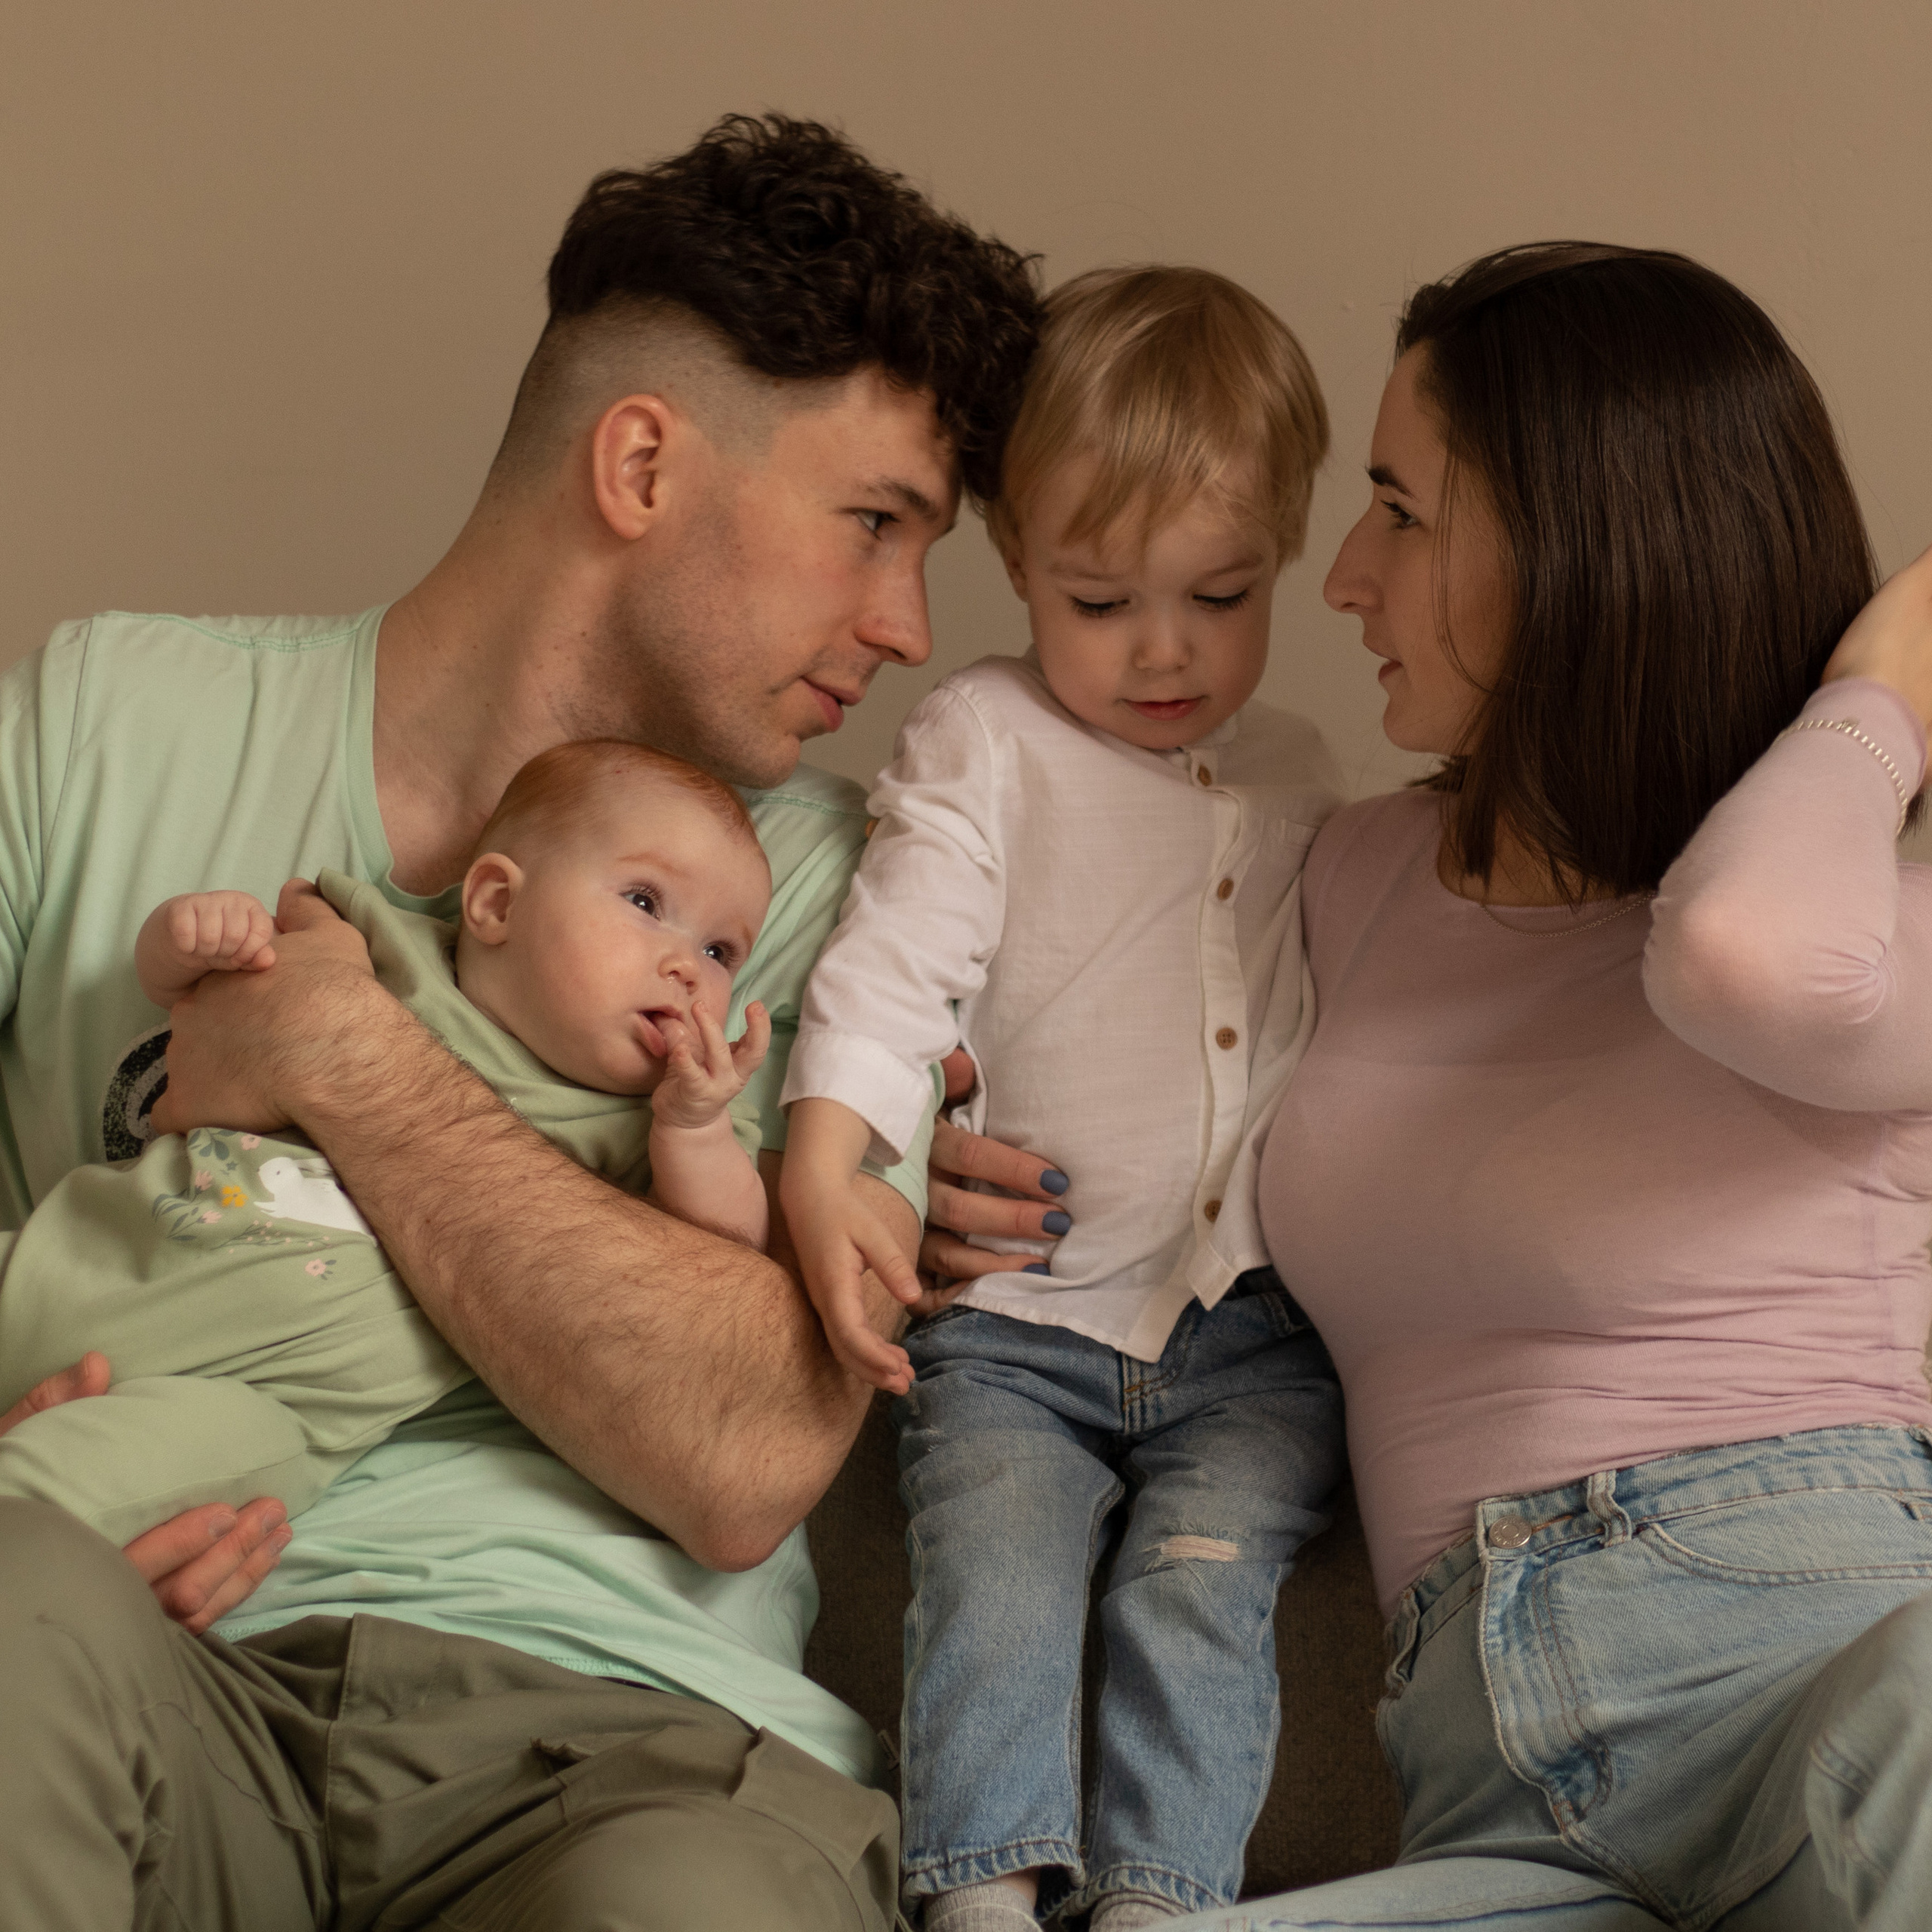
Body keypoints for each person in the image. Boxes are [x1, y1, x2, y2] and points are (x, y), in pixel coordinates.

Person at [0, 114, 1050, 1930]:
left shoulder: (825, 895)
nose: (904, 626)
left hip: (628, 1746)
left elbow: (735, 1451)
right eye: (872, 526)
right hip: (138, 1662)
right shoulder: (106, 723)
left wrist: (351, 1062)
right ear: (640, 463)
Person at [1166, 244, 1932, 1930]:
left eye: (1399, 508)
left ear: (1583, 546)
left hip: (1834, 1718)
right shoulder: (1342, 877)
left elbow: (1733, 952)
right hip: (1505, 1808)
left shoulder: (1877, 923)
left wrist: (1882, 689)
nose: (1341, 577)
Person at [780, 266, 1346, 1930]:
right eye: (1097, 602)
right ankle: (980, 1886)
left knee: (1204, 1586)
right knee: (996, 1573)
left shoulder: (1303, 770)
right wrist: (830, 1163)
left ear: (1286, 553)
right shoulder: (984, 738)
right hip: (1020, 1316)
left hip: (1247, 1323)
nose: (1162, 650)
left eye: (1221, 594)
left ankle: (1164, 1897)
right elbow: (891, 969)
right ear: (1014, 562)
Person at [0, 741, 774, 1545]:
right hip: (83, 1254)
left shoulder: (660, 1119)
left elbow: (726, 1254)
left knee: (39, 1516)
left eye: (722, 952)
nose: (688, 966)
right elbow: (200, 1013)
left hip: (246, 1400)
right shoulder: (379, 949)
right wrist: (184, 940)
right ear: (497, 904)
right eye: (646, 902)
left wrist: (696, 1127)